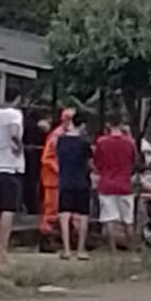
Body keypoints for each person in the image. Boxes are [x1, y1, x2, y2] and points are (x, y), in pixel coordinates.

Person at [0, 92, 24, 263]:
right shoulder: (15, 114)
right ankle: (3, 249)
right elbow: (15, 132)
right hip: (11, 165)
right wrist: (18, 147)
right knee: (8, 210)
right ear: (16, 98)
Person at [94, 117, 137, 253]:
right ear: (122, 124)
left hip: (107, 183)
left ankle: (112, 250)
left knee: (109, 218)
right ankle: (132, 249)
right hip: (124, 184)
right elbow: (135, 161)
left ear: (108, 125)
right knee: (128, 220)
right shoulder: (130, 142)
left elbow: (97, 162)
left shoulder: (102, 142)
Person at [56, 111, 93, 260]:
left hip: (65, 180)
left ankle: (66, 250)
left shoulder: (61, 141)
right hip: (82, 181)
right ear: (83, 125)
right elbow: (90, 163)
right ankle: (81, 250)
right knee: (83, 216)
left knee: (64, 215)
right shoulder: (85, 143)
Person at [39, 109, 72, 247]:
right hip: (53, 179)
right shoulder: (57, 135)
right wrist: (60, 170)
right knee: (51, 210)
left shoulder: (65, 135)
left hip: (61, 179)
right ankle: (46, 239)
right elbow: (47, 158)